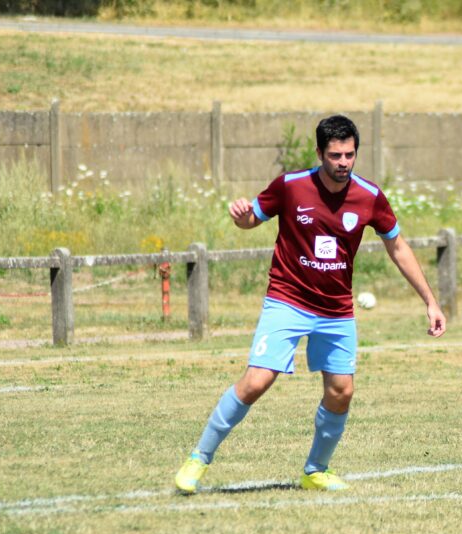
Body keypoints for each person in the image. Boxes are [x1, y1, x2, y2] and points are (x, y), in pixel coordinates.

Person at [174, 115, 446, 494]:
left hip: (336, 310)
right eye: (335, 155)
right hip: (287, 300)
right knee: (256, 381)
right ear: (319, 152)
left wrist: (430, 301)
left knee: (341, 391)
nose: (343, 163)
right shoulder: (291, 186)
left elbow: (397, 246)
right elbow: (253, 218)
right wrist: (241, 217)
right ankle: (198, 459)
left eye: (350, 155)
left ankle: (315, 470)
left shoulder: (369, 196)